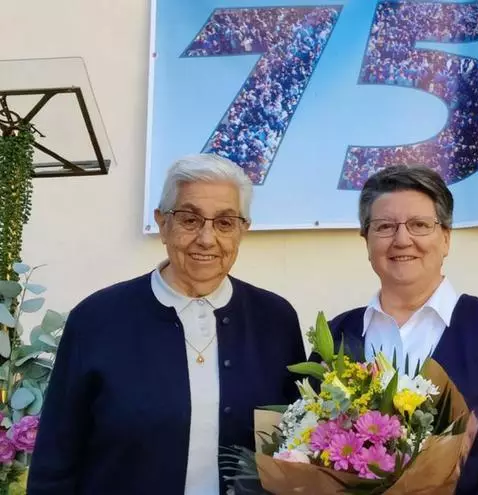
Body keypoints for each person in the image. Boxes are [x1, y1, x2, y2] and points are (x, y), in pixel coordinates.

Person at [28, 154, 306, 495]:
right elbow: (56, 457)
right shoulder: (97, 319)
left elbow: (296, 445)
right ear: (162, 224)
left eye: (224, 222)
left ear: (242, 230)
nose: (206, 239)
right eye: (189, 220)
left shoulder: (275, 320)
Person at [326, 165, 478, 494]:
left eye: (419, 225)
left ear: (446, 238)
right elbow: (304, 447)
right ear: (366, 240)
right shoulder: (337, 334)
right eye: (385, 226)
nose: (402, 239)